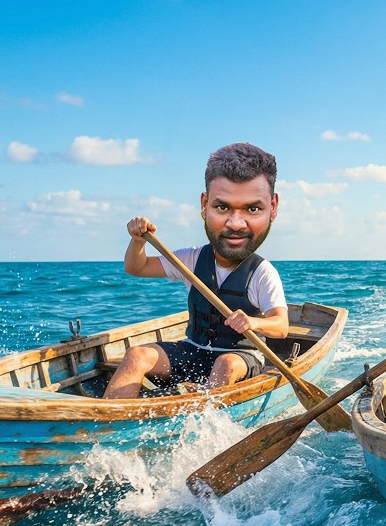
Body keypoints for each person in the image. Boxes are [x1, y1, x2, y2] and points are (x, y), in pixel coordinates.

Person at [103, 142, 291, 399]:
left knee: (225, 365)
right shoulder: (190, 260)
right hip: (193, 350)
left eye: (251, 209)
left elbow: (281, 326)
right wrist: (137, 241)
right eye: (223, 207)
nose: (236, 224)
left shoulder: (262, 272)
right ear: (205, 206)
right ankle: (112, 418)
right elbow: (136, 267)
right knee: (137, 355)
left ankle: (204, 417)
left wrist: (252, 322)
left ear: (272, 208)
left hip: (240, 356)